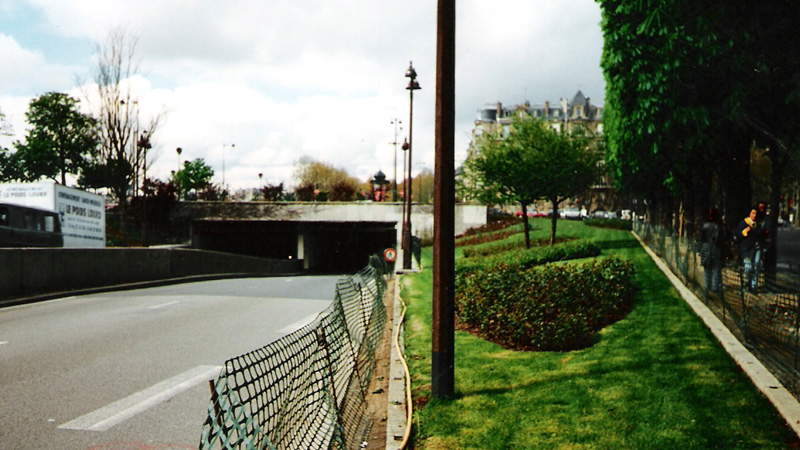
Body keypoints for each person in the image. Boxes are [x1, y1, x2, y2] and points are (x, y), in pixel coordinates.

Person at [735, 206, 766, 292]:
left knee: (756, 266)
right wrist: (744, 232)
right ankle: (747, 283)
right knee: (748, 267)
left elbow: (761, 235)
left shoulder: (758, 225)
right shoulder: (743, 223)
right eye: (753, 213)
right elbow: (737, 234)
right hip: (747, 249)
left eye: (756, 213)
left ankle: (753, 286)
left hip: (757, 249)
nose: (754, 215)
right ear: (749, 214)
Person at [699, 208, 723, 292]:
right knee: (716, 268)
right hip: (715, 248)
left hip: (705, 248)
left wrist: (700, 250)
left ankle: (707, 286)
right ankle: (715, 287)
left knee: (707, 268)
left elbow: (701, 238)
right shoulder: (719, 226)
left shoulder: (704, 225)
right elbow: (721, 238)